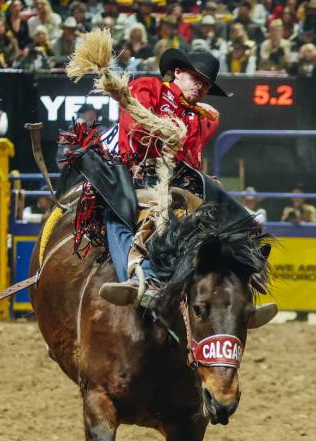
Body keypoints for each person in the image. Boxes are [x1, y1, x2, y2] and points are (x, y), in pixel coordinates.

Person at [98, 49, 235, 306]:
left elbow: (192, 158)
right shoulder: (148, 87)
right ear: (178, 72)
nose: (201, 87)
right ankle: (139, 277)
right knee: (115, 213)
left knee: (230, 220)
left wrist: (201, 177)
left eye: (206, 84)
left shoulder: (196, 116)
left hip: (179, 184)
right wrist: (167, 135)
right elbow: (135, 130)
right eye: (197, 79)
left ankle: (238, 286)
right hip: (139, 175)